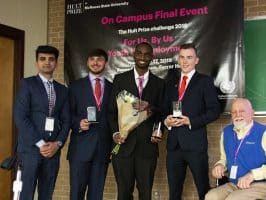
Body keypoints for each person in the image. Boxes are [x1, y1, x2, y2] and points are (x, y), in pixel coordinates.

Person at [108, 42, 165, 200]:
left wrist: (157, 127)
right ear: (134, 55)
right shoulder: (120, 80)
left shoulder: (160, 83)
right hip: (123, 146)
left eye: (147, 54)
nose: (142, 57)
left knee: (145, 193)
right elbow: (111, 112)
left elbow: (162, 113)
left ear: (152, 57)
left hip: (147, 148)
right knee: (123, 193)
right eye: (139, 53)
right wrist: (115, 133)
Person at [164, 43, 220, 200]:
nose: (185, 61)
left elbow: (214, 111)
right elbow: (163, 110)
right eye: (182, 57)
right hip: (174, 146)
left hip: (195, 145)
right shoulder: (170, 83)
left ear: (196, 60)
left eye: (189, 57)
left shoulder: (205, 81)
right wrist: (167, 121)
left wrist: (191, 121)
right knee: (174, 192)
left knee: (203, 190)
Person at [14, 45, 70, 200]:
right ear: (37, 62)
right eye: (42, 59)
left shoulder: (62, 90)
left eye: (51, 59)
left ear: (56, 63)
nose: (47, 62)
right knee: (26, 195)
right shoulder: (27, 84)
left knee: (47, 195)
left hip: (52, 152)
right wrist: (40, 143)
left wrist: (57, 143)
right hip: (30, 150)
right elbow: (20, 117)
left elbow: (66, 121)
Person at [205, 98, 266, 200]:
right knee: (211, 196)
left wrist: (252, 175)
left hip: (261, 185)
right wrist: (219, 165)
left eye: (242, 111)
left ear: (252, 113)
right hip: (235, 184)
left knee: (233, 199)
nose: (237, 115)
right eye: (234, 112)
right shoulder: (226, 133)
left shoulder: (265, 133)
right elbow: (224, 159)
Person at [67, 49, 112, 200]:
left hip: (102, 149)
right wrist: (78, 123)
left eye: (99, 59)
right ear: (87, 62)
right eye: (92, 59)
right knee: (76, 193)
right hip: (80, 148)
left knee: (96, 195)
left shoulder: (113, 88)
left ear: (105, 63)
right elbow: (67, 115)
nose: (95, 62)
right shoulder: (75, 87)